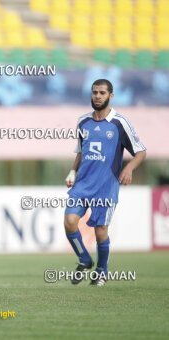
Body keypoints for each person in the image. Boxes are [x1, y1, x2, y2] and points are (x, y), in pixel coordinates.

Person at [64, 79, 146, 287]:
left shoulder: (120, 123)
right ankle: (84, 259)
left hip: (105, 187)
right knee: (70, 221)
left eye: (102, 93)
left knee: (101, 231)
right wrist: (73, 171)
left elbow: (140, 151)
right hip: (82, 184)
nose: (97, 96)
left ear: (111, 95)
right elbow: (81, 152)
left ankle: (101, 272)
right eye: (94, 92)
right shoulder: (83, 122)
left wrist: (128, 168)